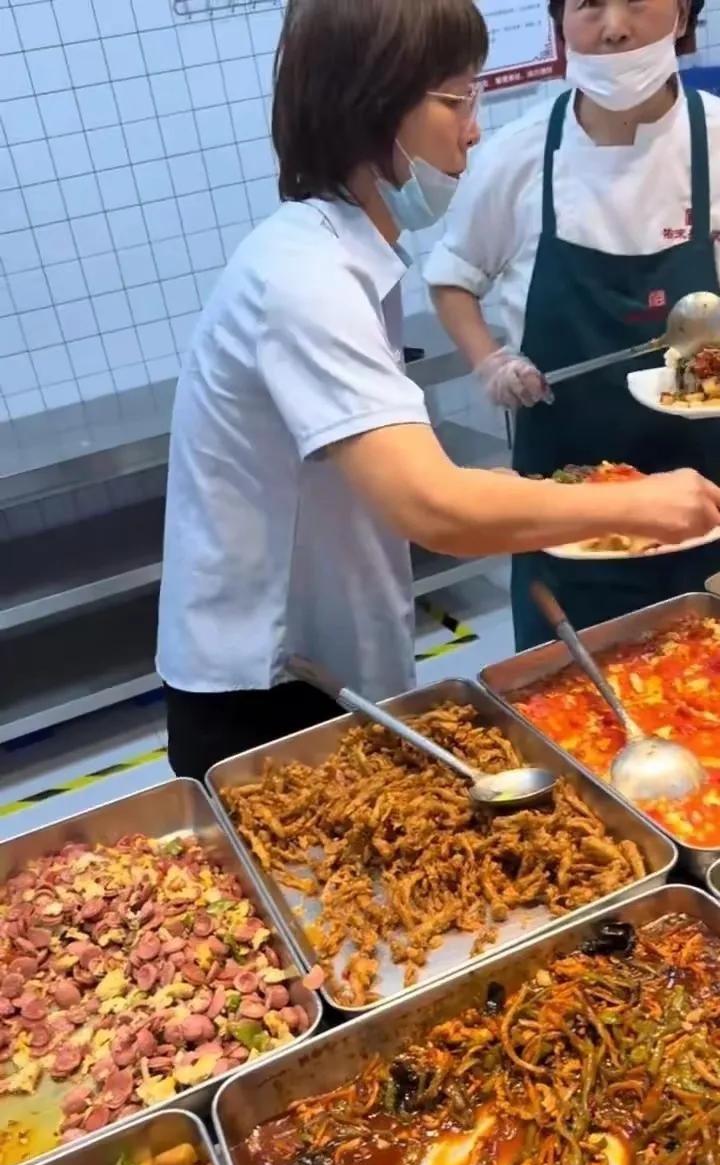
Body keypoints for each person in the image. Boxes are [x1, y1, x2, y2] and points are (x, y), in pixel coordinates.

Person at [157, 0, 720, 783]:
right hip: (269, 688)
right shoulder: (305, 281)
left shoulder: (345, 261)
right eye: (456, 100)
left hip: (322, 664)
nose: (474, 130)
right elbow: (433, 510)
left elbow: (381, 477)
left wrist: (495, 488)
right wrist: (640, 504)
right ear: (373, 106)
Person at [426, 0, 720, 652]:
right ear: (559, 23)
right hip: (565, 519)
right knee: (566, 694)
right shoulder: (519, 155)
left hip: (709, 509)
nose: (614, 26)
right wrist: (491, 361)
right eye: (588, 4)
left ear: (682, 14)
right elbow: (451, 278)